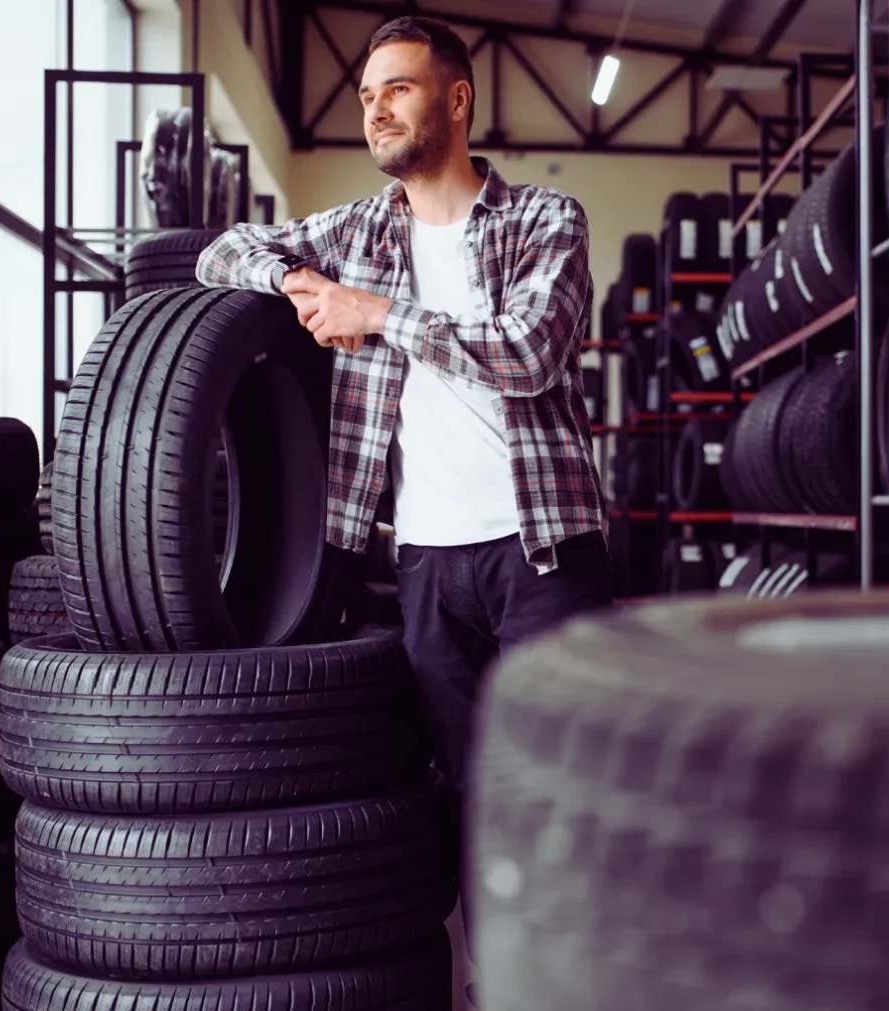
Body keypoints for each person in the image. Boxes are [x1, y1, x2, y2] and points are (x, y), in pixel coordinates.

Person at [196, 14, 611, 792]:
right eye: (365, 95)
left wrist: (376, 314)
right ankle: (485, 922)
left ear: (457, 101)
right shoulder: (357, 232)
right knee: (461, 785)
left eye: (398, 89)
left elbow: (527, 354)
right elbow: (222, 251)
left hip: (544, 550)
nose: (376, 110)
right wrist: (300, 283)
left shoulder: (545, 220)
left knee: (567, 785)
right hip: (425, 558)